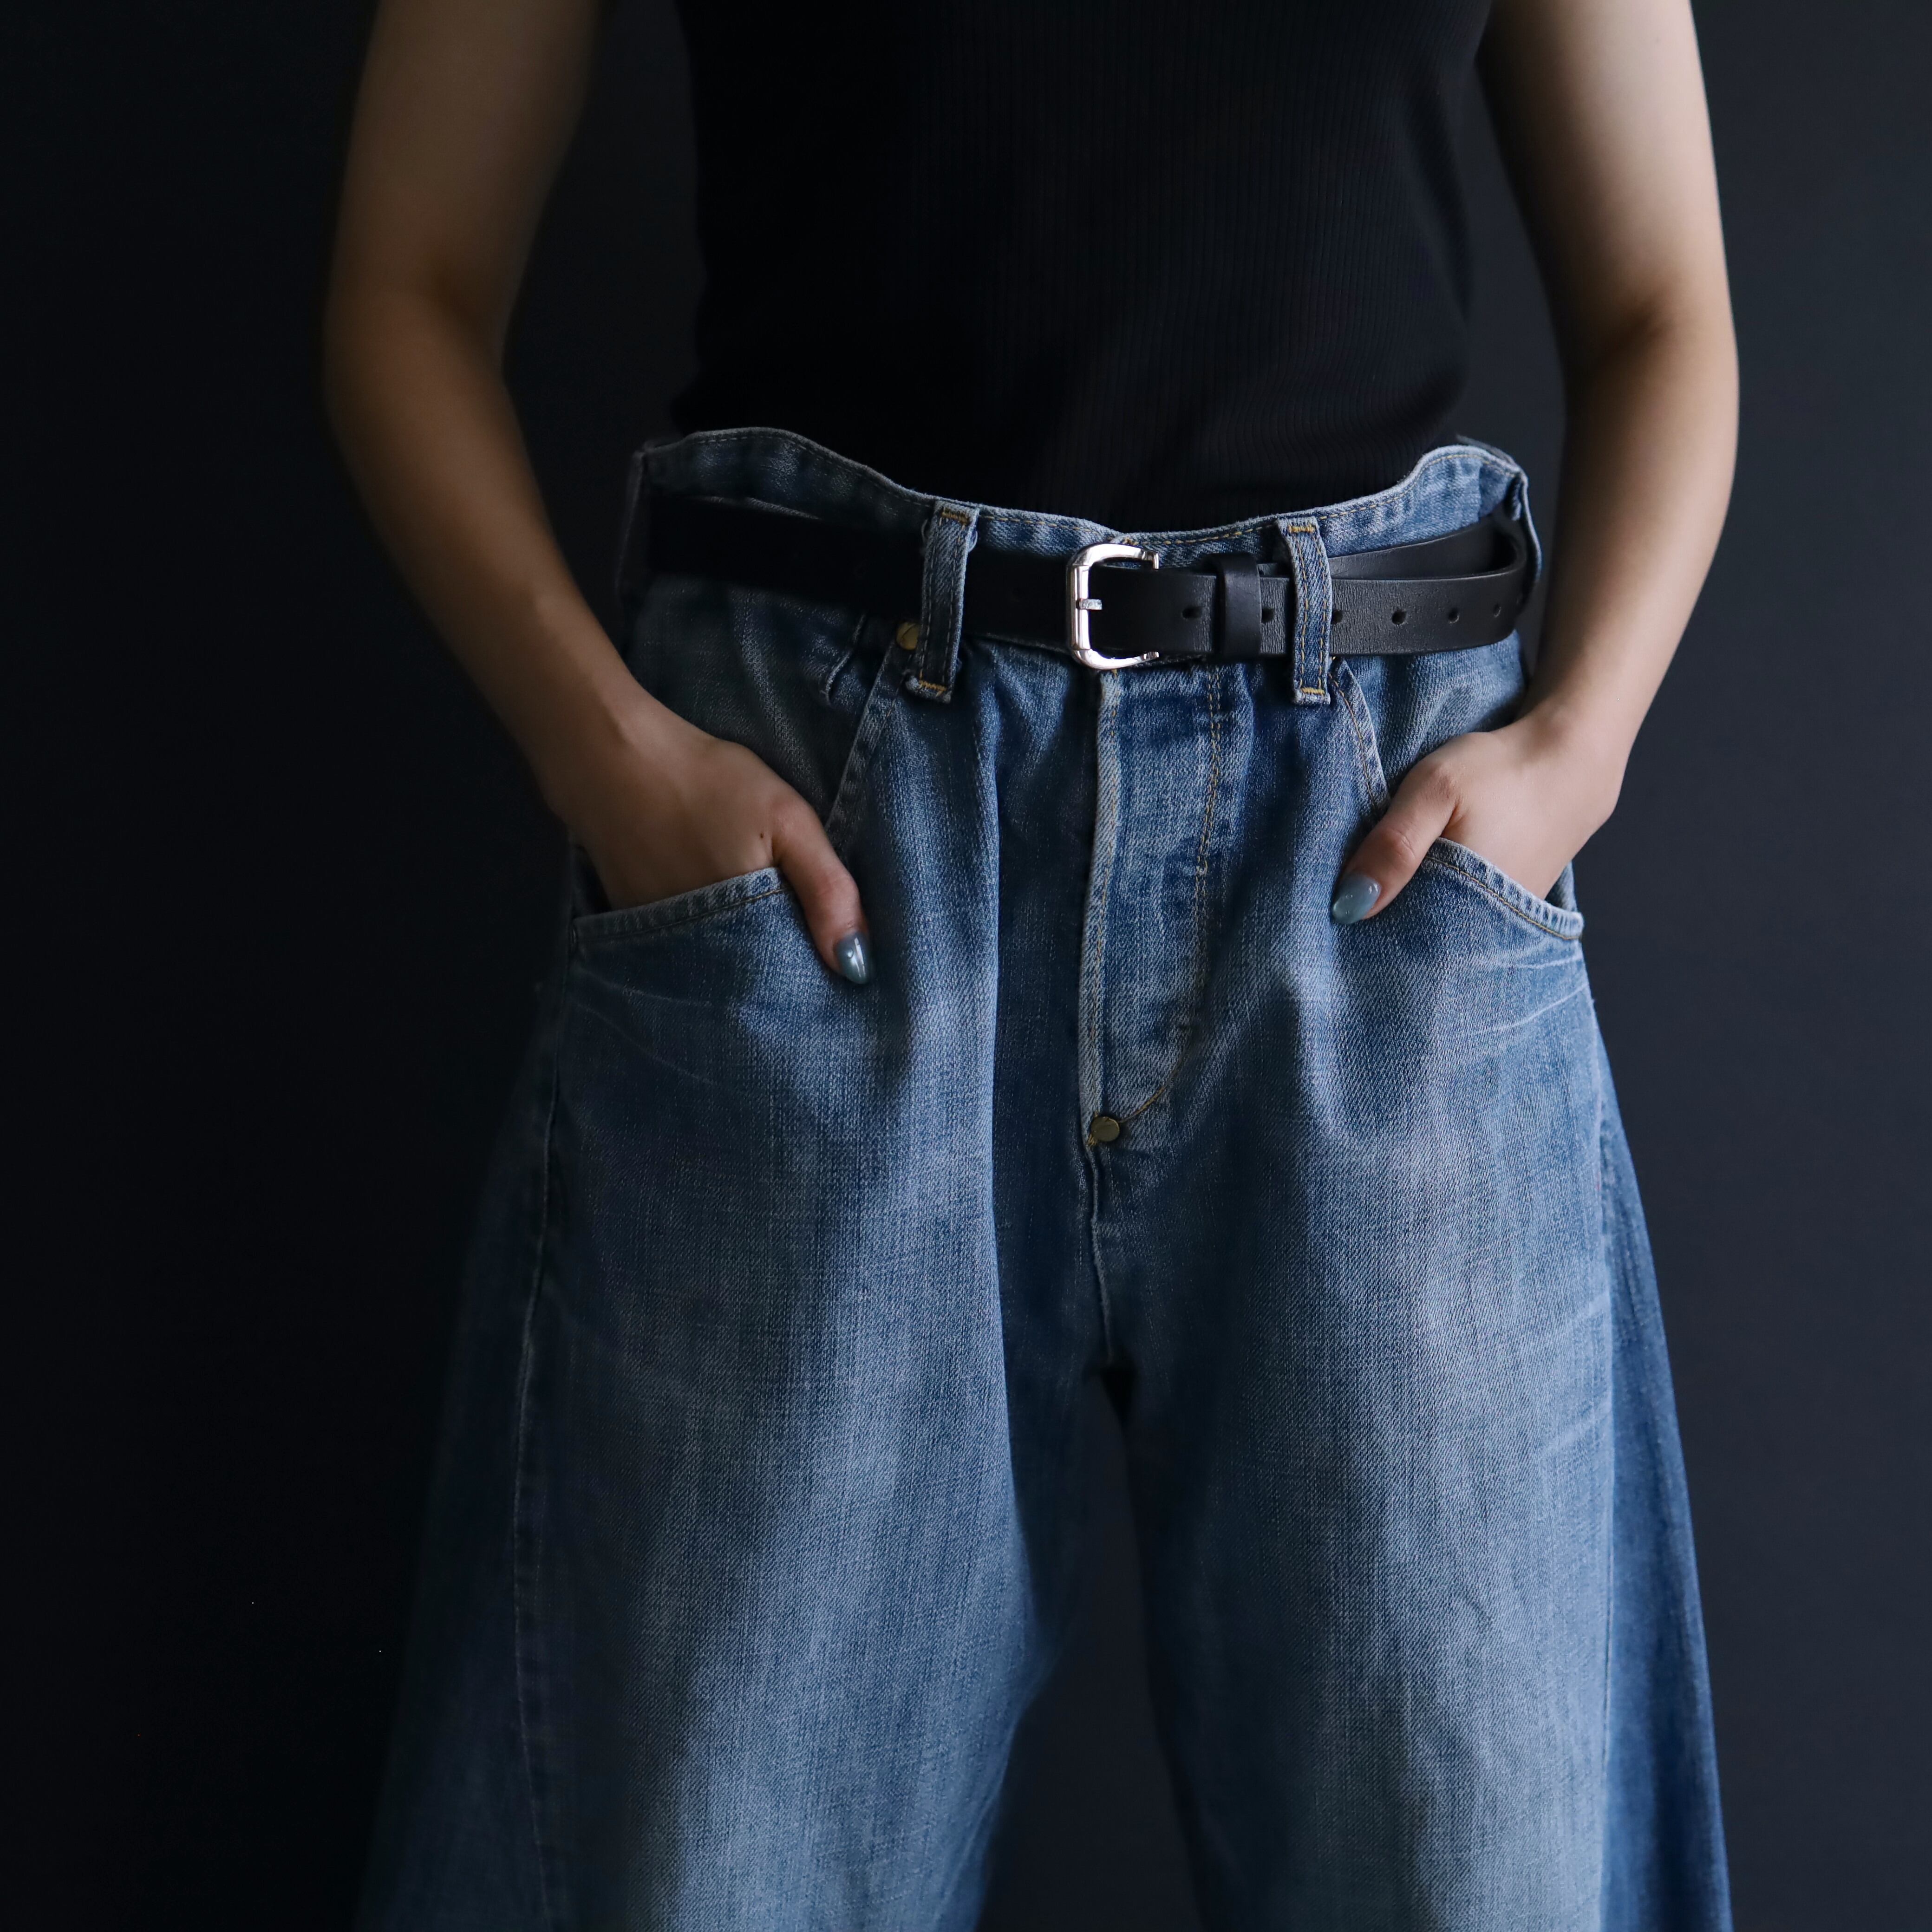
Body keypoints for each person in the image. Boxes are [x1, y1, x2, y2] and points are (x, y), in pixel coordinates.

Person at [325, 0, 1739, 1925]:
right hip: (825, 842)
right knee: (710, 1868)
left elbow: (1663, 303)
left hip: (1373, 849)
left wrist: (1583, 747)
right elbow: (405, 283)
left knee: (1481, 1871)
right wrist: (610, 760)